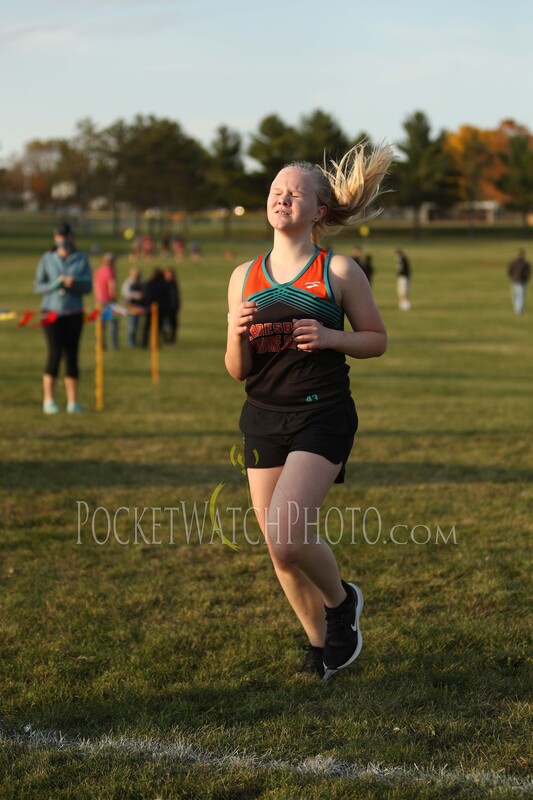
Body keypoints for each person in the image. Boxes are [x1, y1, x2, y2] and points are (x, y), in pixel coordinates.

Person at [225, 142, 393, 680]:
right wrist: (234, 333)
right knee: (280, 551)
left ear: (319, 210)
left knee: (287, 534)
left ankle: (342, 601)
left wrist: (329, 337)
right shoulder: (243, 276)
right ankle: (322, 647)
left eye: (295, 193)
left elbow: (376, 340)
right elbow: (237, 369)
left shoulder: (337, 269)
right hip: (262, 416)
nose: (282, 197)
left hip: (322, 415)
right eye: (276, 190)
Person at [33, 221, 92, 413]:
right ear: (55, 237)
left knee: (72, 355)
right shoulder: (47, 258)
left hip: (74, 312)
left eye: (66, 236)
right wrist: (55, 285)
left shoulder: (81, 258)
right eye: (59, 236)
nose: (63, 239)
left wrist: (74, 284)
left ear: (71, 237)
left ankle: (72, 402)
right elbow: (38, 286)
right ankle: (48, 400)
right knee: (55, 353)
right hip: (50, 312)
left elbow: (88, 285)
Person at [93, 251, 119, 349]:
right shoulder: (110, 271)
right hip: (109, 300)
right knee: (113, 323)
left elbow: (95, 286)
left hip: (99, 300)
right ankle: (114, 344)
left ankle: (100, 343)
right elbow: (111, 286)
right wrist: (114, 298)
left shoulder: (98, 271)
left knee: (100, 324)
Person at [121, 267, 144, 347]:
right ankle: (130, 343)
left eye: (137, 274)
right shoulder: (128, 283)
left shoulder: (140, 283)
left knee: (136, 325)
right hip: (130, 306)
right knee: (132, 325)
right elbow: (125, 293)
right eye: (134, 274)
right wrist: (135, 295)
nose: (136, 275)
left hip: (138, 306)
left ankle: (134, 342)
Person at [507, 249, 531, 316]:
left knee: (518, 297)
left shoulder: (523, 264)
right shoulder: (523, 264)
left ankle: (518, 311)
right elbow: (509, 271)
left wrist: (512, 278)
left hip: (519, 282)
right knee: (517, 297)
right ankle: (518, 311)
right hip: (516, 282)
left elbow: (509, 271)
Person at [161, 267, 181, 344]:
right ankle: (166, 340)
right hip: (165, 309)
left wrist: (177, 306)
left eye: (171, 275)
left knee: (174, 326)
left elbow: (176, 296)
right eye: (168, 275)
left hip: (173, 309)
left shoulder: (174, 284)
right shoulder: (163, 284)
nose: (169, 276)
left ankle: (172, 340)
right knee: (165, 326)